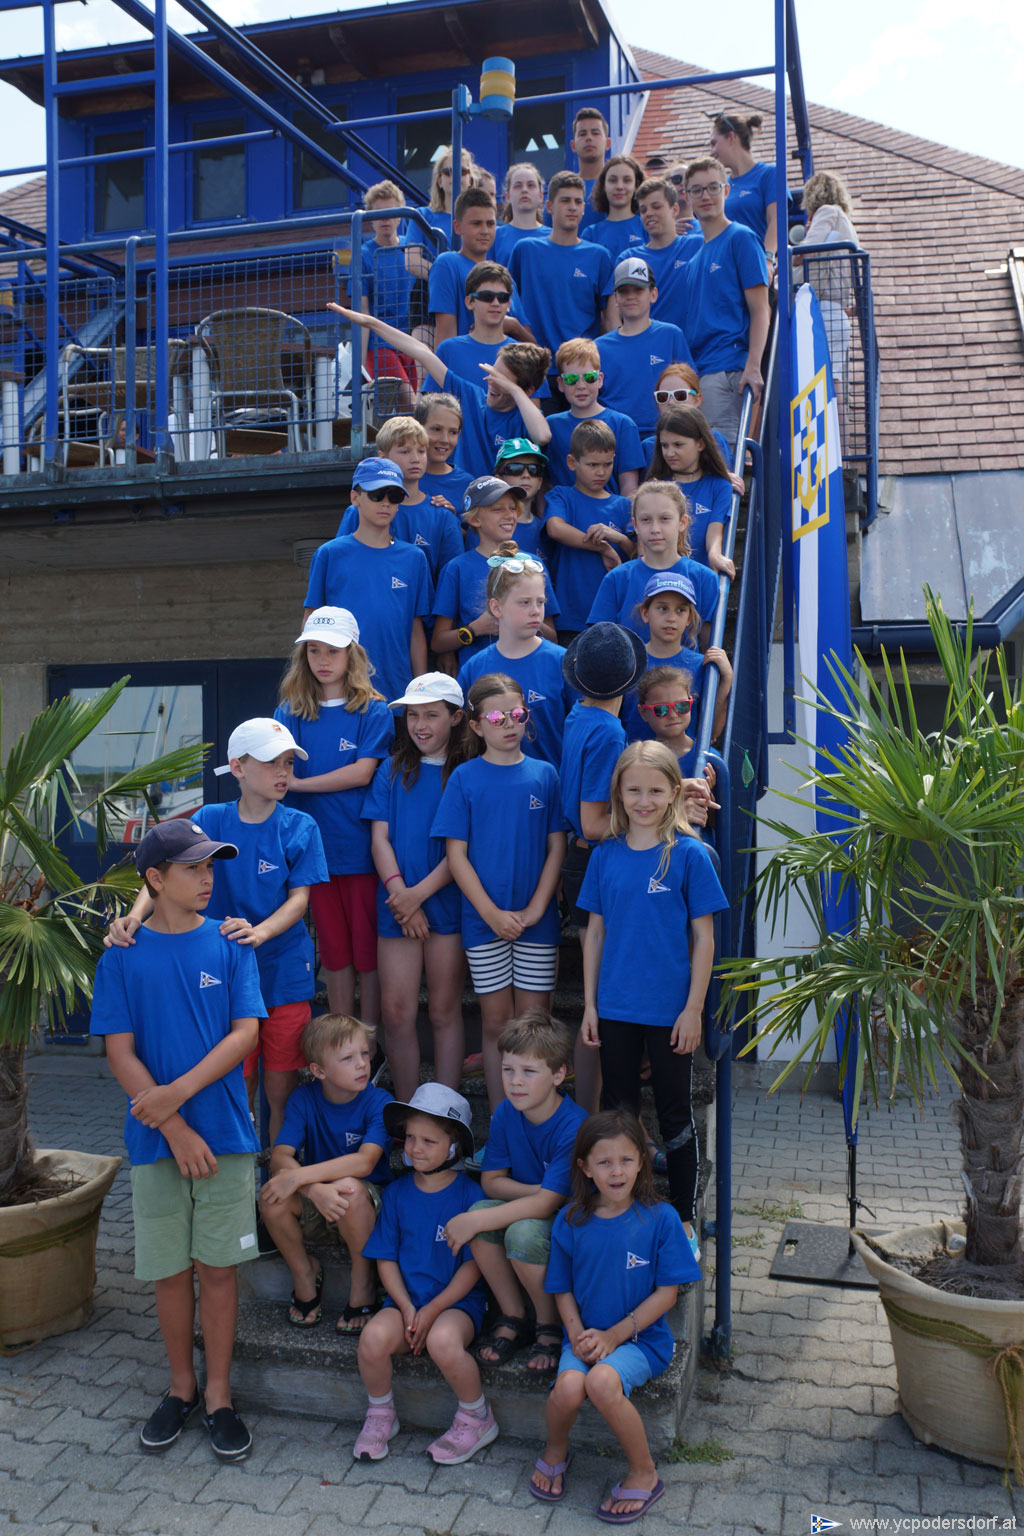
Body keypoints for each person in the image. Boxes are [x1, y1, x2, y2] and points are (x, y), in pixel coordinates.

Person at [90, 820, 263, 1463]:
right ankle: (181, 1388)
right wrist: (174, 1126)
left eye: (211, 866)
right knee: (168, 1272)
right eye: (194, 868)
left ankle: (219, 1395)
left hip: (226, 1138)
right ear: (155, 880)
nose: (208, 877)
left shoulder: (232, 943)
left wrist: (178, 1098)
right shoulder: (120, 957)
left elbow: (245, 1035)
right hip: (157, 1142)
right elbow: (119, 1052)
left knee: (217, 1270)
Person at [103, 717, 327, 1148]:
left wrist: (259, 933)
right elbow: (161, 874)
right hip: (220, 973)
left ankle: (273, 1181)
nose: (283, 772)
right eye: (271, 762)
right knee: (236, 1083)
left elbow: (300, 901)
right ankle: (233, 1171)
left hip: (283, 973)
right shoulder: (209, 818)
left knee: (281, 1091)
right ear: (238, 768)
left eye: (288, 762)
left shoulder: (302, 826)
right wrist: (135, 917)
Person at [580, 741, 728, 1249]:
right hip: (616, 1007)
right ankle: (616, 1209)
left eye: (656, 791)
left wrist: (693, 1010)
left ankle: (683, 1219)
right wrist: (590, 1005)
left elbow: (704, 939)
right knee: (617, 1112)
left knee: (674, 1115)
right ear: (619, 794)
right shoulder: (605, 855)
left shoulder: (689, 854)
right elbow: (594, 934)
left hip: (670, 1012)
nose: (644, 801)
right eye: (634, 790)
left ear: (673, 794)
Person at [528, 1109, 698, 1521]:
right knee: (568, 1389)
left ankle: (644, 1473)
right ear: (585, 1168)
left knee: (602, 1382)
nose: (616, 1171)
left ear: (641, 1161)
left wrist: (613, 1337)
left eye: (625, 1160)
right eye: (604, 1162)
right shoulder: (571, 1219)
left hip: (641, 1341)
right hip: (584, 1336)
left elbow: (667, 1295)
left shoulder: (661, 1218)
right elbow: (562, 1289)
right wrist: (578, 1336)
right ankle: (556, 1450)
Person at [432, 672, 567, 1111]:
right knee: (495, 1025)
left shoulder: (545, 775)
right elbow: (456, 856)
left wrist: (537, 908)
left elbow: (557, 847)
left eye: (517, 714)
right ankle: (501, 1120)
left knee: (533, 1025)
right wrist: (491, 914)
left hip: (536, 923)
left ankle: (536, 1122)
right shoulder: (464, 778)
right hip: (482, 923)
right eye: (496, 717)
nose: (509, 724)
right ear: (475, 725)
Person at [357, 1084, 496, 1465]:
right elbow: (386, 1258)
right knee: (371, 1339)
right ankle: (381, 1414)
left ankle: (477, 1417)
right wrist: (405, 1307)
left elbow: (473, 1265)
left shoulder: (470, 1196)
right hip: (405, 1302)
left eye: (429, 1141)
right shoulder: (397, 1194)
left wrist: (433, 1309)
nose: (415, 1148)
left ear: (454, 1147)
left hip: (456, 1305)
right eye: (410, 1138)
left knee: (442, 1341)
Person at [443, 1012, 587, 1373]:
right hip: (536, 1207)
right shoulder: (507, 1112)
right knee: (482, 1213)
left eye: (529, 1071)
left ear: (558, 1074)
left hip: (569, 1222)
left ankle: (549, 1323)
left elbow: (547, 1206)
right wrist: (539, 1190)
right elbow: (492, 1181)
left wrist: (538, 1199)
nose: (515, 1082)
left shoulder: (573, 1125)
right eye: (508, 1070)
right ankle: (513, 1314)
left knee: (517, 1231)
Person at [274, 607, 394, 1023]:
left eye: (332, 651)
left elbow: (363, 773)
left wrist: (300, 785)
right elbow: (277, 773)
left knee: (367, 954)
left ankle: (370, 1044)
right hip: (312, 855)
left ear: (352, 654)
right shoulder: (289, 712)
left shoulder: (374, 711)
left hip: (359, 851)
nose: (322, 660)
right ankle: (343, 1043)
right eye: (313, 651)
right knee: (335, 953)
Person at [364, 673, 474, 1101]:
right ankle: (409, 1112)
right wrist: (402, 896)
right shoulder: (391, 770)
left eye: (431, 715)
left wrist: (418, 896)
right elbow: (380, 839)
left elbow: (463, 849)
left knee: (444, 1010)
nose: (420, 725)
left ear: (456, 717)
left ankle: (445, 1114)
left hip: (446, 901)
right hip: (397, 903)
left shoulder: (467, 772)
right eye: (412, 716)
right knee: (395, 1012)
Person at [558, 622, 648, 1112]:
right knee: (605, 1003)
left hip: (580, 863)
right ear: (629, 683)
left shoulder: (578, 713)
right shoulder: (609, 732)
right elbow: (594, 823)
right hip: (594, 863)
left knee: (602, 998)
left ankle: (594, 1117)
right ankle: (598, 1119)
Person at [259, 1013, 393, 1332]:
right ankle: (305, 1274)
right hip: (321, 1201)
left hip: (368, 1207)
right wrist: (313, 1189)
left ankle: (363, 1281)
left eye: (364, 1053)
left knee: (350, 1187)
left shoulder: (379, 1101)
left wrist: (301, 1177)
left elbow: (365, 1163)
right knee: (270, 1197)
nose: (362, 1064)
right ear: (319, 1071)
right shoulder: (303, 1098)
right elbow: (280, 1157)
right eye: (348, 1058)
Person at [327, 300, 552, 477]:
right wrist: (370, 323)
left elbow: (542, 436)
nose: (491, 382)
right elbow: (422, 352)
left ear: (526, 390)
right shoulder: (472, 396)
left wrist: (513, 390)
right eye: (493, 373)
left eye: (502, 380)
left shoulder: (525, 418)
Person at [302, 457, 432, 703]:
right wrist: (312, 687)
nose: (386, 503)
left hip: (397, 691)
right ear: (355, 498)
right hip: (340, 693)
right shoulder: (329, 554)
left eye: (394, 496)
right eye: (376, 494)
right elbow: (311, 623)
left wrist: (420, 692)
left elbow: (416, 631)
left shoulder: (414, 559)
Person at [458, 542, 577, 767]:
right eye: (524, 602)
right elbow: (465, 738)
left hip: (552, 785)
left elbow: (578, 735)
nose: (535, 611)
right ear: (496, 607)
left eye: (540, 602)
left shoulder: (563, 662)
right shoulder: (474, 668)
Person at [683, 156, 771, 448]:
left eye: (713, 187)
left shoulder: (741, 238)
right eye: (697, 190)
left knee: (723, 461)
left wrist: (753, 366)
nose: (705, 196)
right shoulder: (694, 259)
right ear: (687, 197)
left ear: (727, 190)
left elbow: (761, 309)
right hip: (700, 373)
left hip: (727, 369)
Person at [432, 476, 559, 670]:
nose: (509, 515)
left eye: (512, 508)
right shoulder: (457, 568)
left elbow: (553, 637)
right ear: (474, 519)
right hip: (481, 677)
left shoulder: (533, 564)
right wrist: (474, 629)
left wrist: (522, 619)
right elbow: (438, 642)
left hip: (530, 672)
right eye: (497, 509)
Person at [587, 480, 718, 644]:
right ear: (635, 525)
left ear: (682, 522)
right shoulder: (616, 578)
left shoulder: (705, 578)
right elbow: (599, 642)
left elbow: (709, 647)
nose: (655, 529)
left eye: (665, 518)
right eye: (646, 520)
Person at [335, 418, 462, 585]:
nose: (415, 459)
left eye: (421, 451)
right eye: (405, 451)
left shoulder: (443, 516)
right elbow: (340, 565)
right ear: (383, 456)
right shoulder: (359, 511)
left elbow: (452, 582)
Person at [508, 172, 613, 373]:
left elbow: (608, 319)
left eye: (578, 201)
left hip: (581, 370)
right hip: (534, 367)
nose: (572, 207)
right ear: (549, 206)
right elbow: (511, 304)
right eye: (565, 201)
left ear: (584, 208)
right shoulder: (525, 250)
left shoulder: (599, 256)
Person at [542, 418, 634, 638]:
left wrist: (618, 538)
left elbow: (637, 554)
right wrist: (602, 547)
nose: (601, 472)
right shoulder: (561, 496)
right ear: (572, 462)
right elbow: (555, 528)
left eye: (607, 464)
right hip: (570, 618)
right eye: (593, 465)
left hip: (614, 618)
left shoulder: (625, 505)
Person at [623, 577, 733, 752]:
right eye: (662, 608)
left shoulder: (702, 664)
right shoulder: (628, 662)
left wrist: (727, 679)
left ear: (689, 618)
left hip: (685, 763)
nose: (671, 618)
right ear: (645, 613)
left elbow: (712, 733)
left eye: (681, 610)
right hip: (635, 763)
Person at [596, 256, 694, 436]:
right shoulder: (599, 347)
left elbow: (689, 392)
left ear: (653, 294)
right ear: (615, 298)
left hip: (664, 436)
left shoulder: (671, 335)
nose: (630, 296)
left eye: (638, 289)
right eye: (624, 291)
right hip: (615, 438)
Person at [428, 189, 530, 344]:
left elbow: (532, 346)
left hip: (507, 359)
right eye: (476, 224)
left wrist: (514, 326)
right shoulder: (447, 264)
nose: (485, 231)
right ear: (457, 227)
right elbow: (445, 339)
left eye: (490, 224)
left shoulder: (504, 277)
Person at [545, 337, 645, 496]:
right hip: (563, 510)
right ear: (560, 384)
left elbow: (629, 485)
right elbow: (546, 483)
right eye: (571, 379)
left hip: (611, 511)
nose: (581, 386)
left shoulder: (622, 424)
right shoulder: (551, 426)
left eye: (589, 377)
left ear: (600, 380)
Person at [647, 405, 737, 577]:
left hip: (698, 577)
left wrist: (715, 554)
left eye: (678, 445)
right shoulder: (654, 487)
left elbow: (715, 532)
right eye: (664, 445)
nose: (669, 453)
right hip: (662, 579)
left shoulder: (719, 486)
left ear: (700, 444)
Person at [796, 170, 860, 405]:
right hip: (836, 311)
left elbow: (807, 252)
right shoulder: (845, 223)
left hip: (824, 310)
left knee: (823, 383)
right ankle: (840, 429)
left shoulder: (827, 212)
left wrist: (789, 254)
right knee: (834, 382)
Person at [631, 666, 720, 832]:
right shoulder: (639, 760)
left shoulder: (710, 759)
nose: (673, 715)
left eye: (681, 706)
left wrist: (709, 798)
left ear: (691, 703)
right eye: (661, 710)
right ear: (643, 713)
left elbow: (722, 824)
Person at [422, 260, 527, 395]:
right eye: (487, 296)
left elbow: (533, 405)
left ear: (508, 304)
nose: (496, 303)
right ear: (469, 302)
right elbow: (431, 401)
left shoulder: (522, 354)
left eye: (502, 297)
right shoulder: (448, 349)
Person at [358, 179, 418, 410]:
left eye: (390, 212)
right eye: (379, 213)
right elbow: (362, 311)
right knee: (411, 404)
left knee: (421, 404)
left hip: (414, 341)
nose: (385, 219)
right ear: (371, 218)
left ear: (400, 215)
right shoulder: (364, 255)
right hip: (382, 343)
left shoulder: (412, 249)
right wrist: (360, 364)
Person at [613, 178, 702, 331]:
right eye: (643, 210)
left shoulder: (698, 246)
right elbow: (615, 314)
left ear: (675, 209)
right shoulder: (629, 258)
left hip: (694, 344)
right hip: (647, 344)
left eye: (656, 207)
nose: (649, 213)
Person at [643, 362, 739, 480]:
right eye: (663, 396)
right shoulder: (647, 447)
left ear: (697, 400)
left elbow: (722, 477)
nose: (671, 402)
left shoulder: (715, 439)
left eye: (680, 395)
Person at [708, 112, 779, 258]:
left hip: (757, 264)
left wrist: (768, 259)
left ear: (731, 137)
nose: (711, 152)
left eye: (714, 144)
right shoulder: (722, 187)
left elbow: (777, 221)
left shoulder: (769, 174)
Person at [414, 393, 474, 513]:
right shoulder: (403, 478)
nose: (445, 440)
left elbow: (472, 525)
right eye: (436, 429)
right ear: (417, 428)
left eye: (452, 432)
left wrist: (450, 518)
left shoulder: (467, 485)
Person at [586, 154, 645, 260]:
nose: (619, 186)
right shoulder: (591, 233)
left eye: (627, 180)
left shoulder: (646, 227)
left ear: (636, 186)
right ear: (604, 186)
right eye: (613, 180)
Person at [493, 162, 547, 266]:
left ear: (541, 196)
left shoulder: (553, 237)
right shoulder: (495, 237)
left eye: (531, 185)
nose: (524, 190)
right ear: (507, 197)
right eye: (518, 186)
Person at [568, 106, 610, 234]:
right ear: (573, 146)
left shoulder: (621, 188)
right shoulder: (562, 192)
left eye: (595, 133)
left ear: (608, 143)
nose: (589, 138)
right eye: (582, 134)